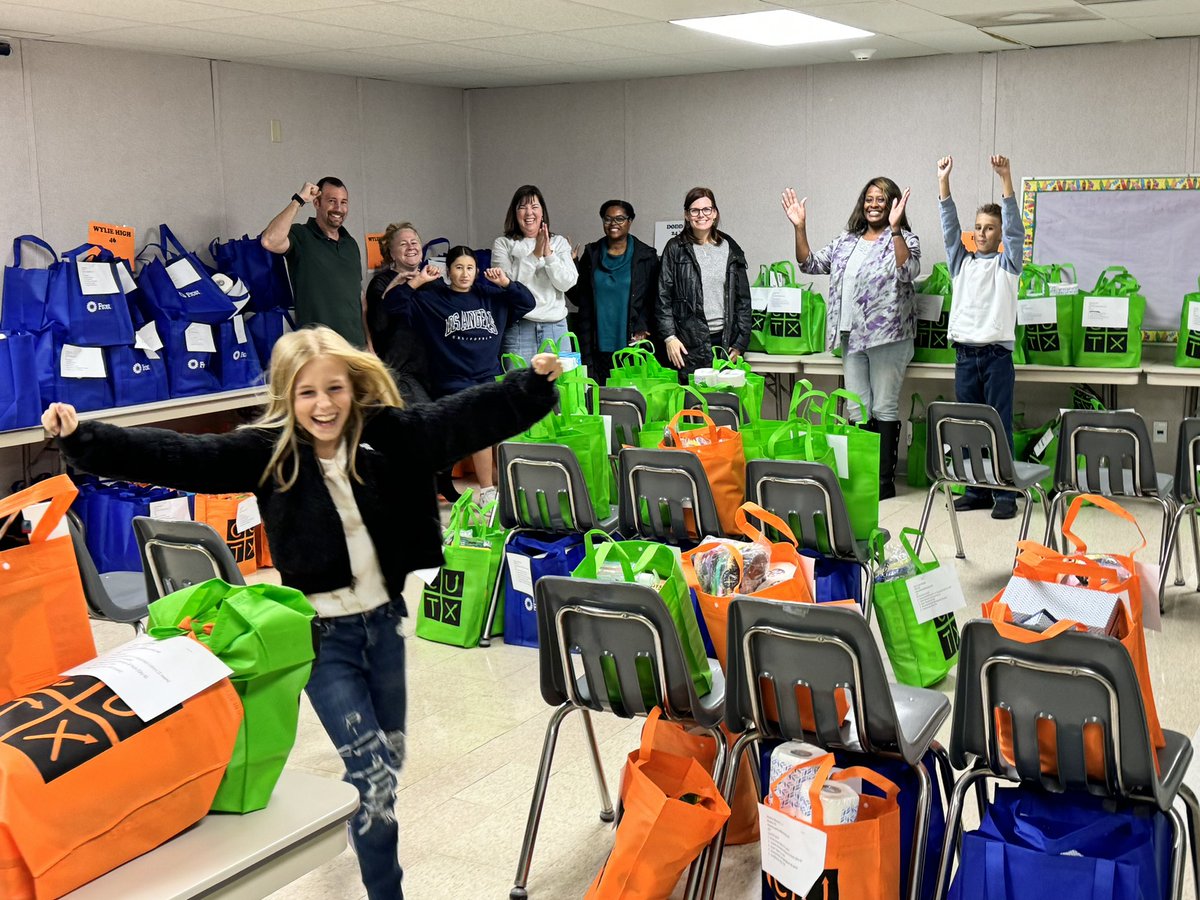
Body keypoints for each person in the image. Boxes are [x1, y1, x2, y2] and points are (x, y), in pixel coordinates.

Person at [42, 326, 563, 900]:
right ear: (288, 397)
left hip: (384, 627)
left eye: (335, 389)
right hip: (322, 638)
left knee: (386, 760)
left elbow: (463, 417)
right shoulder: (268, 451)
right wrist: (84, 439)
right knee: (373, 773)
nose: (323, 405)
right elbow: (178, 455)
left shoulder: (389, 435)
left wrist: (531, 385)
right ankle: (387, 891)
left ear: (354, 386)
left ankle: (358, 816)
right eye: (307, 393)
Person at [782, 177, 919, 500]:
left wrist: (896, 229)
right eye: (869, 199)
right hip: (851, 336)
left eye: (881, 200)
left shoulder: (904, 238)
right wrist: (800, 227)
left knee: (884, 406)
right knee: (857, 409)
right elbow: (809, 264)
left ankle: (883, 483)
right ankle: (863, 477)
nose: (874, 204)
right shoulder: (847, 241)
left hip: (889, 337)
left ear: (893, 205)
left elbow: (907, 271)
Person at [386, 246, 536, 505]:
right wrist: (419, 281)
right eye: (458, 267)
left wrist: (506, 283)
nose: (464, 274)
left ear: (477, 271)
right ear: (448, 271)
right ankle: (485, 490)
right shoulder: (433, 299)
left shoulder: (490, 296)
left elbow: (527, 302)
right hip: (452, 381)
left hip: (486, 379)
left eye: (469, 268)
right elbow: (392, 305)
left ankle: (490, 488)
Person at [938, 153, 1025, 519]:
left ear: (999, 232)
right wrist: (943, 182)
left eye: (990, 227)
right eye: (978, 227)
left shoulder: (1008, 264)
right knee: (970, 427)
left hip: (995, 357)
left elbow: (1016, 229)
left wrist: (1006, 178)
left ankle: (1004, 493)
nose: (982, 233)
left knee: (998, 424)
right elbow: (948, 226)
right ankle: (976, 489)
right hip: (964, 356)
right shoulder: (962, 263)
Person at [656, 187, 752, 381]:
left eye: (707, 209)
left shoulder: (730, 247)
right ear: (686, 215)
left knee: (723, 404)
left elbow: (743, 300)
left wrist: (741, 342)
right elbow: (662, 297)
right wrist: (669, 338)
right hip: (686, 343)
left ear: (715, 213)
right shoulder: (675, 248)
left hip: (725, 341)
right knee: (693, 404)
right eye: (695, 210)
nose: (701, 215)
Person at [261, 177, 366, 347]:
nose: (339, 208)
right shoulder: (301, 235)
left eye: (344, 202)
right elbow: (269, 241)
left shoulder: (351, 244)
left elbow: (360, 298)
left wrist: (369, 345)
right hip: (318, 350)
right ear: (317, 203)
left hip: (355, 350)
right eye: (332, 201)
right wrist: (299, 200)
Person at [567, 200, 659, 383]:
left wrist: (644, 325)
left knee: (629, 398)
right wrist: (571, 265)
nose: (613, 224)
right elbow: (579, 298)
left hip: (632, 342)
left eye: (619, 219)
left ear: (630, 221)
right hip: (596, 343)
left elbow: (655, 298)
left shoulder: (646, 256)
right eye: (608, 219)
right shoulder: (591, 254)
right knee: (598, 398)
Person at [492, 185, 577, 360]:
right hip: (519, 326)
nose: (529, 212)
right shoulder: (503, 243)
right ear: (514, 213)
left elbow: (567, 283)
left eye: (534, 206)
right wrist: (535, 254)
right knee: (518, 386)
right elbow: (509, 285)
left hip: (556, 326)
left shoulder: (559, 242)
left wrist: (548, 255)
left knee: (560, 386)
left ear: (542, 212)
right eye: (522, 207)